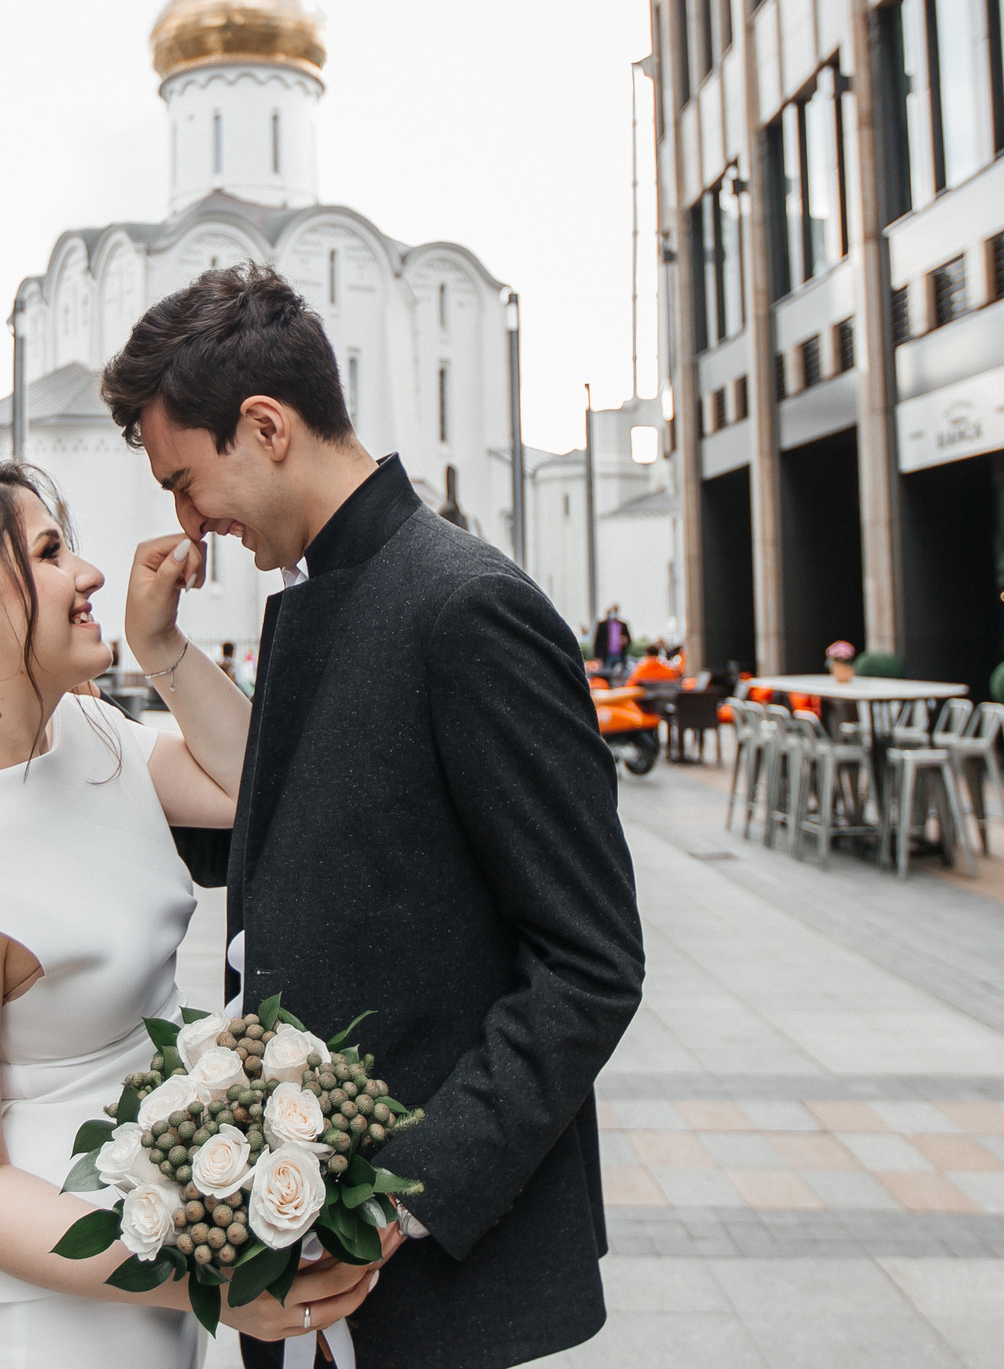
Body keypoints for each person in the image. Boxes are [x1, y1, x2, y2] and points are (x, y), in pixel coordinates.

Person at [100, 264, 646, 1369]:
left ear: (263, 426)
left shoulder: (464, 605)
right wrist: (162, 655)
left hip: (425, 1273)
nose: (184, 518)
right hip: (307, 1268)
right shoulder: (315, 593)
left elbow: (590, 962)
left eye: (185, 479)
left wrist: (397, 1197)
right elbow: (292, 821)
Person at [0, 449, 373, 1367]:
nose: (92, 572)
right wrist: (209, 1275)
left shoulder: (84, 729)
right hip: (38, 1301)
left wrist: (165, 650)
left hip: (148, 1251)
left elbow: (258, 787)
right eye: (52, 550)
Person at [594, 603, 633, 682]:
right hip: (606, 655)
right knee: (606, 675)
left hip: (619, 654)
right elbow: (597, 641)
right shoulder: (602, 625)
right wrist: (598, 657)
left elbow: (629, 639)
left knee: (620, 675)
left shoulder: (622, 625)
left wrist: (625, 641)